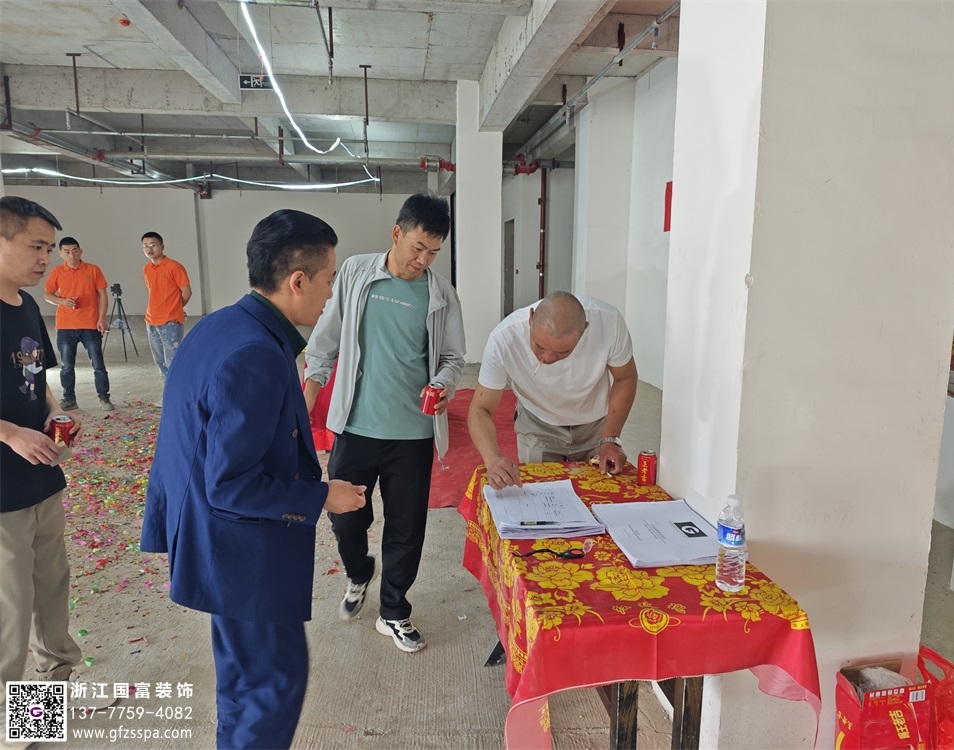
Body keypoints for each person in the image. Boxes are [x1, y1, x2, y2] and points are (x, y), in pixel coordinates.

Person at [140, 209, 366, 750]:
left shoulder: (223, 324)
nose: (331, 293)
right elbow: (230, 484)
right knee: (272, 682)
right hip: (238, 550)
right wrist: (322, 495)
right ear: (297, 281)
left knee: (245, 679)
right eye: (330, 279)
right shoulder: (255, 353)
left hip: (214, 539)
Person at [303, 193, 465, 653]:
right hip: (356, 427)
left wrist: (443, 383)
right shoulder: (357, 272)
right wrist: (305, 398)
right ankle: (359, 573)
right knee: (345, 519)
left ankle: (393, 610)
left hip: (412, 435)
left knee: (406, 528)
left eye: (433, 252)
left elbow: (453, 357)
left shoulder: (441, 294)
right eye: (418, 247)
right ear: (397, 234)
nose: (423, 260)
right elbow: (324, 341)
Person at [0, 196, 84, 697]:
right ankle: (6, 715)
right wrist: (10, 433)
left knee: (51, 589)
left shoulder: (28, 305)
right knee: (10, 606)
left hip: (42, 476)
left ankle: (52, 693)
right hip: (2, 491)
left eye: (49, 249)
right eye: (35, 246)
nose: (45, 259)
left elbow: (36, 378)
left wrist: (54, 413)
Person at [468, 291, 638, 491]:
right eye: (539, 346)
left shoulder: (608, 323)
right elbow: (480, 409)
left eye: (562, 352)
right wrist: (493, 458)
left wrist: (610, 439)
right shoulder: (503, 340)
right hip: (538, 424)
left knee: (598, 492)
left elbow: (625, 378)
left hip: (595, 426)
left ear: (585, 329)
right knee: (538, 494)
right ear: (531, 319)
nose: (547, 358)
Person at [42, 236, 115, 412]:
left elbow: (103, 296)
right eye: (66, 251)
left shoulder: (93, 270)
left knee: (98, 364)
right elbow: (47, 294)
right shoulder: (57, 272)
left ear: (80, 251)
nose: (71, 255)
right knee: (67, 366)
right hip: (65, 326)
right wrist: (62, 301)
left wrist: (101, 318)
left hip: (90, 324)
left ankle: (104, 397)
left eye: (74, 250)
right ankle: (69, 399)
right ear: (60, 253)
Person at [140, 231, 191, 380]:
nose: (149, 249)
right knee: (160, 362)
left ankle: (177, 392)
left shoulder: (174, 267)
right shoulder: (147, 268)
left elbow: (187, 292)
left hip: (170, 321)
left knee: (173, 361)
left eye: (153, 245)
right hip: (151, 321)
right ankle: (167, 391)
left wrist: (176, 308)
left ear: (162, 246)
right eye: (145, 246)